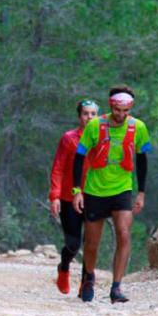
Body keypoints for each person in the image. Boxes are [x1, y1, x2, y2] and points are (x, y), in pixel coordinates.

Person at [72, 86, 152, 303]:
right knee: (91, 243)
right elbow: (79, 157)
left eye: (126, 111)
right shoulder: (95, 126)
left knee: (124, 234)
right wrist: (77, 191)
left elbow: (142, 161)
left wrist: (141, 193)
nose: (122, 116)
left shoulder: (138, 128)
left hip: (122, 189)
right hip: (95, 190)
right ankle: (88, 276)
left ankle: (116, 287)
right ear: (111, 106)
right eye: (118, 111)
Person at [48, 99, 99, 295]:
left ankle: (86, 283)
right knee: (73, 243)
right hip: (69, 198)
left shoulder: (101, 140)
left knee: (90, 243)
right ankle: (64, 267)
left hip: (94, 196)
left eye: (93, 114)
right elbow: (58, 168)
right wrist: (55, 196)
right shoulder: (69, 139)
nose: (89, 117)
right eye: (86, 113)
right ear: (79, 116)